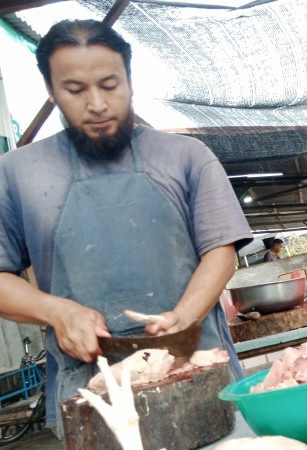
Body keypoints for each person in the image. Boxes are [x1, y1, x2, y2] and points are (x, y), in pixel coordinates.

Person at [0, 20, 253, 436]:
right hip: (91, 395)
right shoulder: (16, 174)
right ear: (51, 90)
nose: (96, 103)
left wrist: (183, 317)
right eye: (75, 90)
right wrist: (57, 312)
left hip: (198, 372)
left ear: (130, 81)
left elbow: (221, 249)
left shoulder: (186, 156)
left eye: (110, 84)